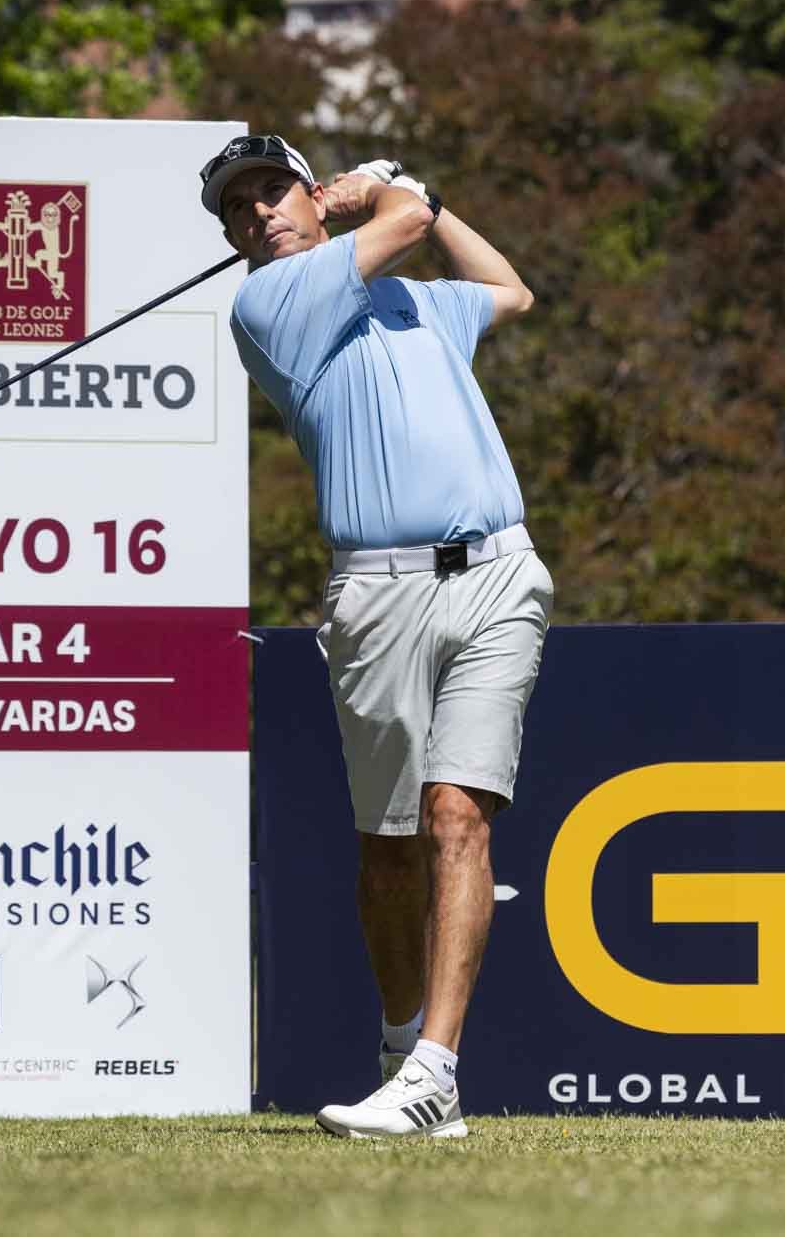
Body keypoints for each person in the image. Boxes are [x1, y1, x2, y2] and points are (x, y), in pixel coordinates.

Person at [199, 134, 553, 1138]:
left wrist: (420, 201)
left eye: (274, 191)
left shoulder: (413, 303)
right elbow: (404, 219)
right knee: (389, 853)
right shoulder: (271, 303)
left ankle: (435, 1073)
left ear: (314, 196)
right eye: (239, 208)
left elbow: (511, 291)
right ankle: (402, 1051)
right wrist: (394, 191)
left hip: (498, 573)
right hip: (378, 596)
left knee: (458, 817)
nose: (258, 213)